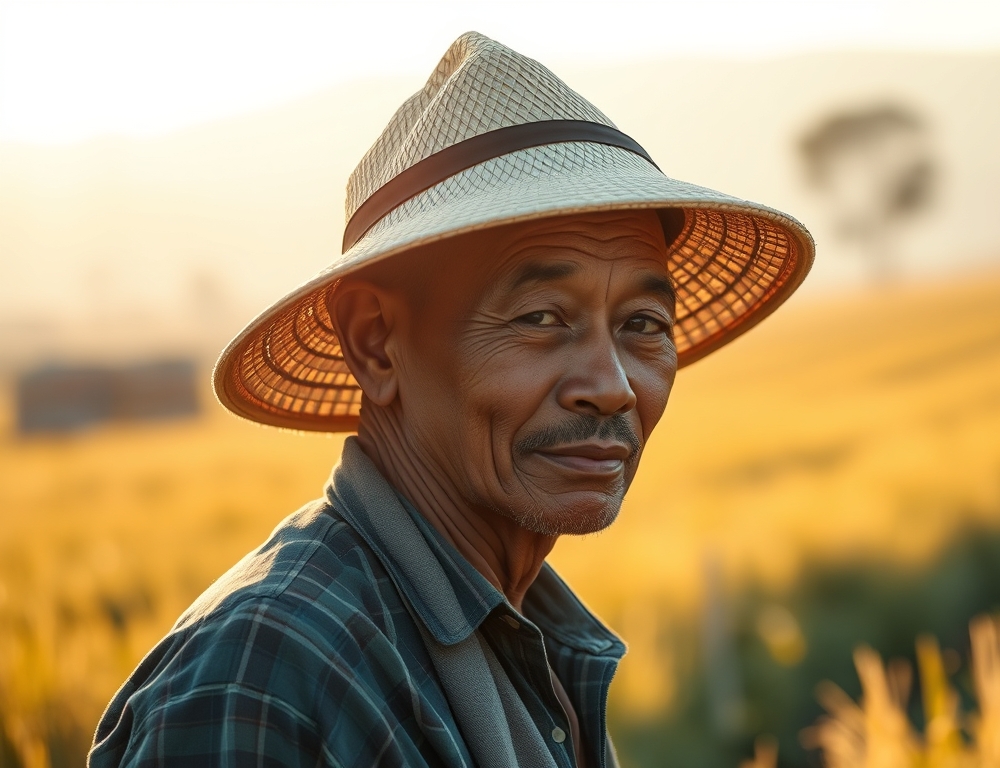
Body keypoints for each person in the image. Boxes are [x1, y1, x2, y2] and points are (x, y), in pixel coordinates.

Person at [89, 31, 812, 768]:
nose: (612, 385)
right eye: (540, 319)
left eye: (643, 326)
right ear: (375, 344)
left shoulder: (523, 636)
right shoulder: (263, 678)